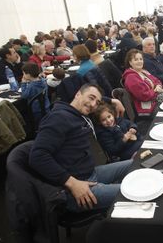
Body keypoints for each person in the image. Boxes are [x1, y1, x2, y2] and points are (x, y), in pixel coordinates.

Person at [29, 83, 132, 212]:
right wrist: (72, 184)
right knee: (134, 192)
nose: (94, 104)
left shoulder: (77, 112)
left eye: (97, 102)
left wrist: (113, 100)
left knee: (136, 163)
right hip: (75, 189)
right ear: (78, 94)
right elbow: (37, 156)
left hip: (90, 173)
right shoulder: (58, 118)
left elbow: (94, 98)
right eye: (91, 98)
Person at [122, 49, 163, 115]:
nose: (139, 61)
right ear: (130, 62)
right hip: (147, 108)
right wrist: (156, 91)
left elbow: (157, 80)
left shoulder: (143, 71)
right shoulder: (131, 77)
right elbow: (144, 96)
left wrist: (158, 86)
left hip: (155, 100)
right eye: (136, 60)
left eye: (141, 59)